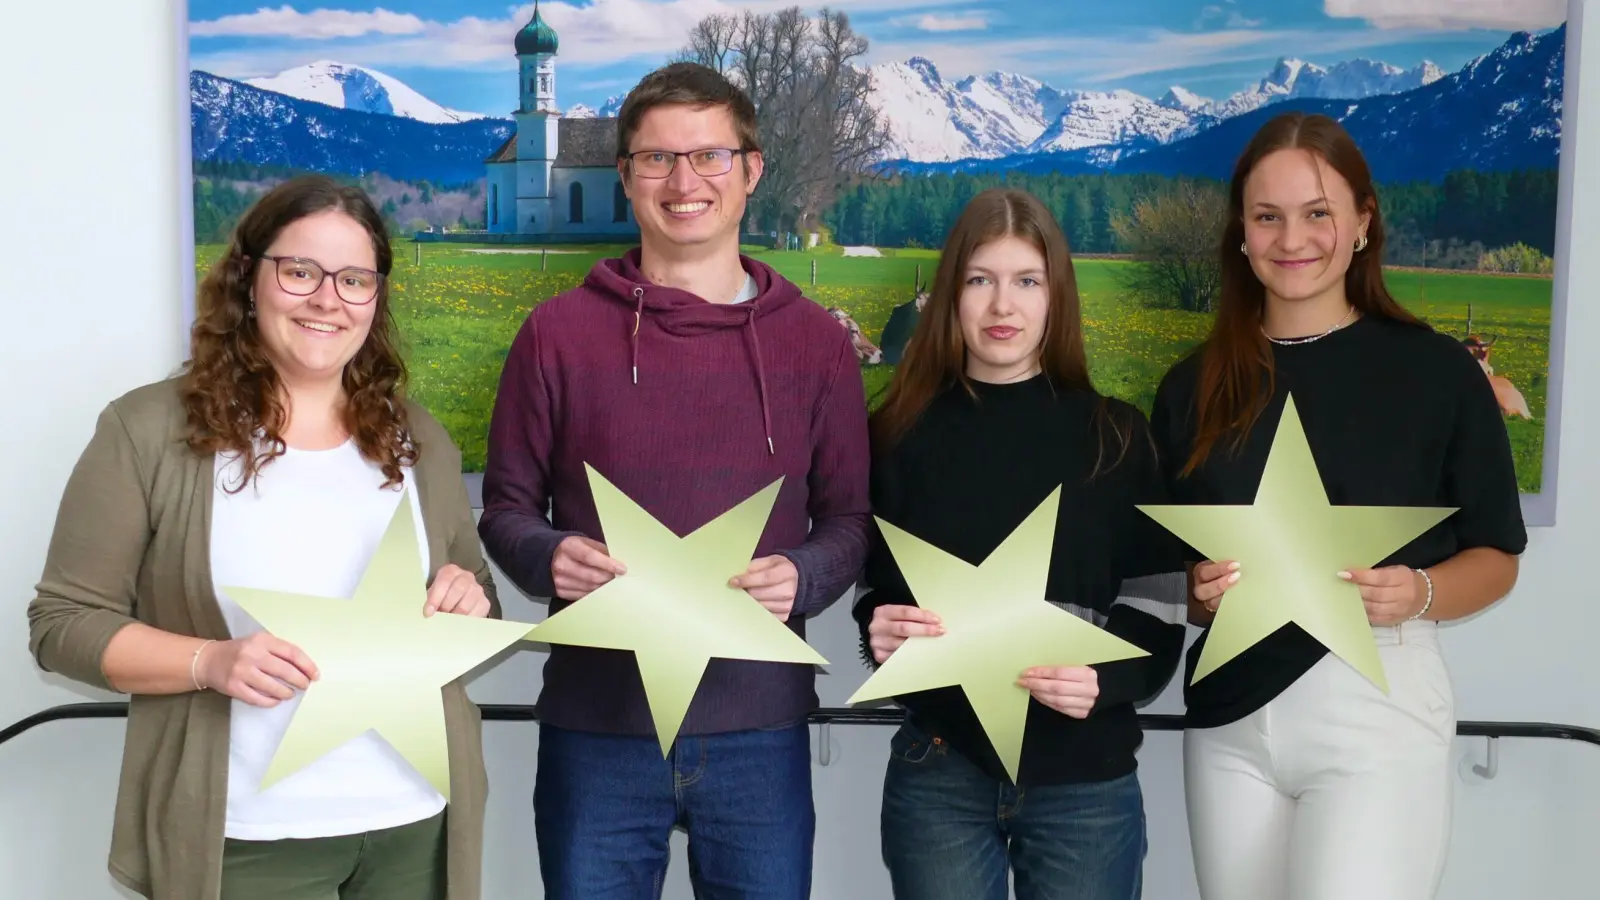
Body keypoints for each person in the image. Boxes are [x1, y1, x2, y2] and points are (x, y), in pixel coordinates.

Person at [26, 175, 499, 900]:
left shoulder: (418, 438)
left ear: (376, 298)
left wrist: (471, 599)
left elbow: (477, 590)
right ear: (248, 277)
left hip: (418, 823)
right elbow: (62, 625)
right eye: (300, 271)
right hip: (247, 840)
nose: (327, 299)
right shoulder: (148, 431)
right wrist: (208, 661)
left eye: (354, 279)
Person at [476, 62, 871, 897]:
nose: (683, 181)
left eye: (709, 156)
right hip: (598, 730)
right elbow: (506, 508)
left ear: (752, 169)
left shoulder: (817, 346)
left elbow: (848, 522)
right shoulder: (554, 335)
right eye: (656, 159)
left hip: (760, 731)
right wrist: (548, 557)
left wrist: (804, 575)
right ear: (624, 177)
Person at [1149, 112, 1527, 900]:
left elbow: (1496, 556)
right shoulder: (1189, 387)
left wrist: (1420, 592)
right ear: (1242, 234)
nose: (1294, 238)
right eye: (1268, 216)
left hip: (1376, 707)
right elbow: (1178, 575)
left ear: (1362, 221)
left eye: (1318, 212)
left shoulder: (1438, 374)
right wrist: (1198, 589)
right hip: (1226, 722)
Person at [853, 187, 1189, 900]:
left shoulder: (1117, 435)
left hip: (1086, 787)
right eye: (981, 280)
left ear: (1056, 296)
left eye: (1026, 281)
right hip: (938, 775)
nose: (1003, 306)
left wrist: (1108, 679)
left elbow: (1160, 615)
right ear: (950, 295)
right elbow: (878, 592)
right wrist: (877, 627)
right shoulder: (898, 433)